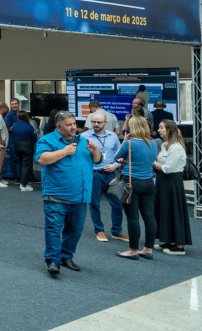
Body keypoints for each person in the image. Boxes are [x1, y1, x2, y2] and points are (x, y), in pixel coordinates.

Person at [35, 111, 101, 274]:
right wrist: (64, 151)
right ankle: (53, 260)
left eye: (74, 124)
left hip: (81, 196)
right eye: (68, 125)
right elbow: (41, 159)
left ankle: (66, 256)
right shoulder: (47, 140)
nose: (73, 127)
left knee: (75, 230)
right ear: (58, 126)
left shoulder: (83, 140)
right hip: (57, 195)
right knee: (54, 229)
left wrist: (95, 151)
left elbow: (98, 159)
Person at [114, 116, 159, 260]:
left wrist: (126, 140)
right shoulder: (153, 143)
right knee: (149, 217)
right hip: (148, 182)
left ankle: (133, 250)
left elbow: (116, 156)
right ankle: (147, 249)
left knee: (133, 217)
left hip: (131, 183)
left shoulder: (130, 143)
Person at [79, 111, 127, 242]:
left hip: (111, 174)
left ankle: (117, 231)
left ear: (106, 123)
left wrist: (115, 165)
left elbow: (120, 155)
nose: (95, 124)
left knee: (117, 204)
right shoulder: (84, 137)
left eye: (99, 122)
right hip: (94, 175)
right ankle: (99, 230)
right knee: (95, 204)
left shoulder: (112, 136)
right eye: (93, 122)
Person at [153, 119, 191, 255]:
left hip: (172, 182)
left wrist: (155, 164)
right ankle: (169, 241)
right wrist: (158, 165)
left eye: (161, 127)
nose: (159, 130)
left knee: (173, 210)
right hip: (163, 181)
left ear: (169, 129)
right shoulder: (165, 145)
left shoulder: (176, 147)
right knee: (165, 210)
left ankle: (179, 246)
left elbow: (168, 168)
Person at [11, 111, 39, 192]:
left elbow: (13, 133)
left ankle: (22, 181)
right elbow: (34, 137)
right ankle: (24, 185)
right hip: (27, 145)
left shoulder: (14, 125)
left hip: (17, 144)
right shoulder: (29, 126)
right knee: (26, 165)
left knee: (21, 164)